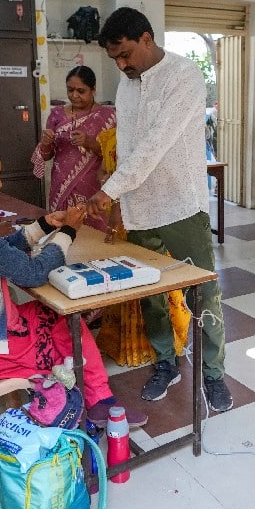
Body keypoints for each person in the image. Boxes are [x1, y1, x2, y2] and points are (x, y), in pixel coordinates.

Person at [0, 133, 146, 427]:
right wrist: (68, 234)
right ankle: (95, 404)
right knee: (68, 329)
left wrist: (44, 225)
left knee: (59, 316)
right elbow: (33, 274)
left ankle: (98, 402)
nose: (0, 183)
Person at [88, 7, 232, 411]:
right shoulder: (126, 84)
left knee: (202, 294)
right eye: (115, 58)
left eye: (126, 54)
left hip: (180, 206)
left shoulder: (185, 77)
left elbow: (155, 145)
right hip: (138, 209)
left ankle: (213, 375)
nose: (121, 64)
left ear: (147, 39)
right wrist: (119, 202)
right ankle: (166, 363)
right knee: (149, 294)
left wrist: (109, 191)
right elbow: (129, 146)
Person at [93, 126, 192, 367]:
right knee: (125, 278)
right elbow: (103, 170)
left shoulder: (153, 136)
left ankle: (159, 342)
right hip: (120, 217)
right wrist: (107, 181)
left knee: (150, 278)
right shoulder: (110, 137)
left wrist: (116, 205)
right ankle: (131, 342)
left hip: (146, 216)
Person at [31, 65, 116, 232]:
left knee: (93, 229)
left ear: (93, 90)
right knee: (59, 226)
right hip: (60, 184)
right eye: (70, 90)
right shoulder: (56, 114)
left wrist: (90, 142)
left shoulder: (108, 116)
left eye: (81, 91)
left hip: (93, 185)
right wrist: (46, 143)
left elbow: (114, 155)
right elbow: (48, 156)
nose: (74, 95)